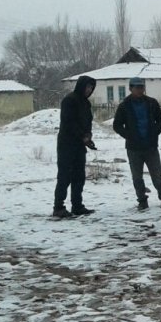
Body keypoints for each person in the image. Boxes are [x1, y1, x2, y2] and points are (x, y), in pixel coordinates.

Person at [112, 76, 161, 210]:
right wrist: (129, 136)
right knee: (137, 177)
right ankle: (142, 200)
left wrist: (155, 132)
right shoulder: (125, 105)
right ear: (130, 89)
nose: (140, 90)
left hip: (150, 146)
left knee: (157, 175)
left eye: (142, 87)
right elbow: (117, 125)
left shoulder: (151, 103)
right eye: (137, 88)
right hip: (134, 148)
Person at [53, 75, 97, 218]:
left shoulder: (86, 103)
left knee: (79, 176)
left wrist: (88, 136)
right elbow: (69, 122)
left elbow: (88, 121)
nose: (89, 90)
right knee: (64, 176)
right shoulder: (69, 100)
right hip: (67, 144)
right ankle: (58, 207)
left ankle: (77, 205)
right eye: (87, 87)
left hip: (79, 145)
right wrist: (82, 136)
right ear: (81, 86)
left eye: (91, 87)